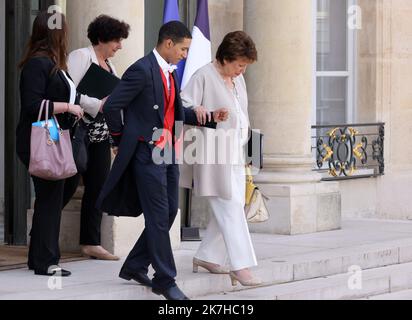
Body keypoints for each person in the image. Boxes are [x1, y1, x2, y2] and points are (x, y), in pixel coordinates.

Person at [96, 21, 228, 300]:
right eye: (183, 49)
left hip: (167, 152)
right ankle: (165, 279)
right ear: (168, 44)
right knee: (157, 215)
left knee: (168, 213)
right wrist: (120, 140)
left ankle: (134, 265)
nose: (184, 55)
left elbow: (174, 111)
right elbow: (111, 106)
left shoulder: (169, 72)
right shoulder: (141, 70)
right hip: (146, 153)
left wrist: (210, 117)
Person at [180, 31, 262, 287]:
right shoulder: (204, 75)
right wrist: (200, 109)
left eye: (245, 66)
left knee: (234, 206)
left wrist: (251, 153)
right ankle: (241, 267)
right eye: (239, 65)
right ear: (226, 58)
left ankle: (207, 256)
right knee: (230, 208)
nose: (242, 70)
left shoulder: (238, 81)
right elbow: (182, 104)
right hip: (212, 154)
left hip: (235, 153)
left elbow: (243, 117)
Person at [17, 11, 84, 277]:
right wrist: (68, 106)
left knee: (59, 190)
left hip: (55, 136)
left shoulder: (56, 64)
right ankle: (46, 261)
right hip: (41, 137)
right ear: (56, 33)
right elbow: (33, 106)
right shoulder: (38, 64)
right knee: (51, 196)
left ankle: (39, 253)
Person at [62, 15, 130, 261]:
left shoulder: (111, 67)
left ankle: (91, 242)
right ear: (102, 39)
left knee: (98, 186)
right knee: (68, 183)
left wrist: (116, 139)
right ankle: (43, 230)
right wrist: (97, 104)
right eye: (117, 41)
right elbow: (67, 92)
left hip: (101, 133)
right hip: (78, 130)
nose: (120, 46)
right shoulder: (81, 56)